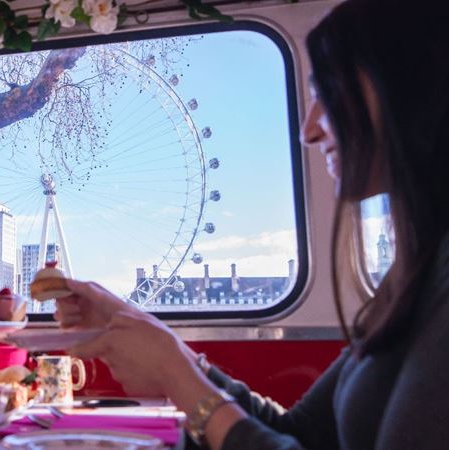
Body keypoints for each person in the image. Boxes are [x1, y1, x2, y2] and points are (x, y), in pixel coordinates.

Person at [56, 0, 449, 449]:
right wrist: (162, 344)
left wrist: (176, 376)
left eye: (328, 92)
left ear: (410, 86)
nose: (310, 129)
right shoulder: (414, 279)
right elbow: (296, 433)